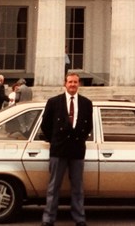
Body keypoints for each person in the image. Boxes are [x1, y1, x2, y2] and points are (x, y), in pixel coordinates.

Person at [40, 72, 93, 226]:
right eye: (70, 82)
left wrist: (79, 139)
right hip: (59, 150)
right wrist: (55, 141)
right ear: (65, 84)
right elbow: (45, 126)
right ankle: (48, 218)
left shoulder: (86, 103)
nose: (72, 85)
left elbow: (88, 126)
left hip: (77, 150)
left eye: (75, 82)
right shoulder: (53, 102)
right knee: (53, 187)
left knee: (78, 187)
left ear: (79, 84)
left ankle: (79, 218)